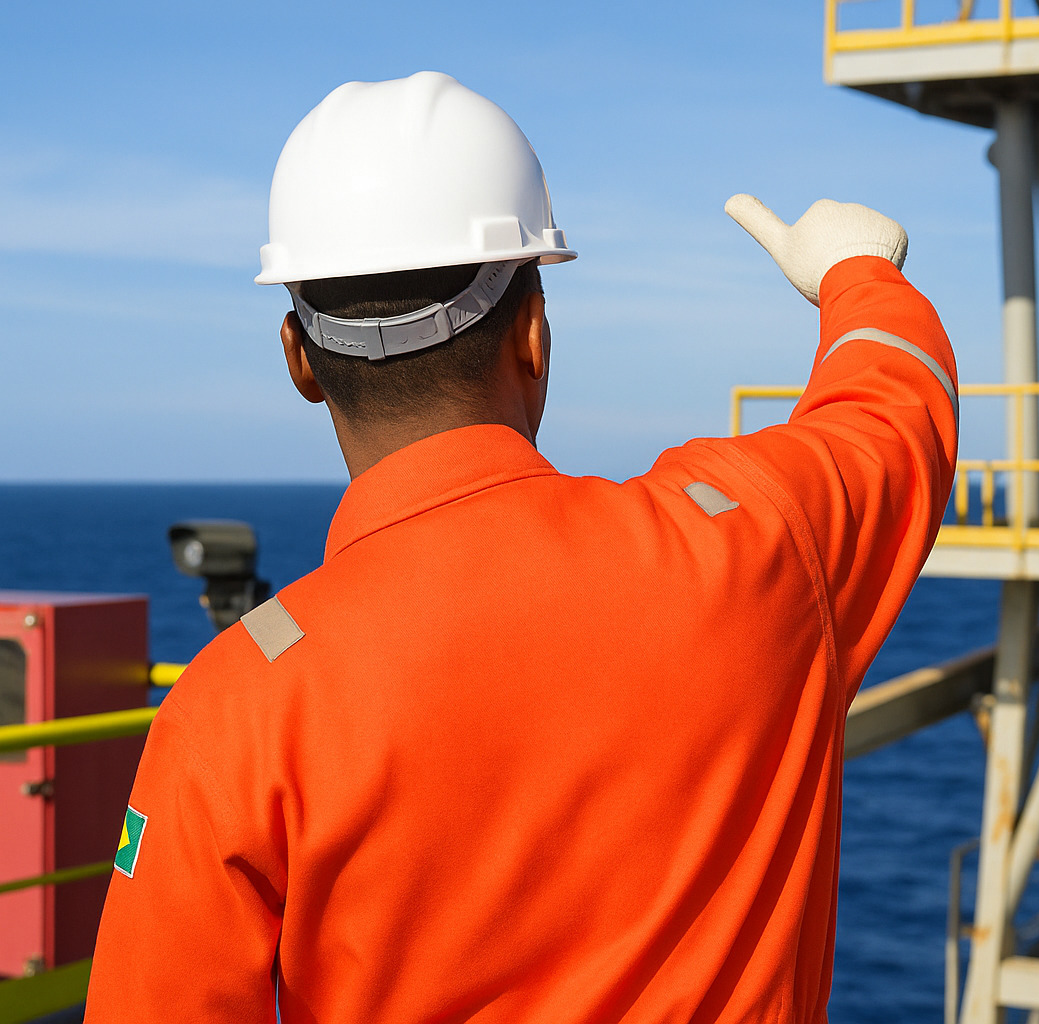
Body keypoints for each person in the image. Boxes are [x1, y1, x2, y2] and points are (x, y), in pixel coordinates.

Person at [86, 71, 957, 1023]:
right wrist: (857, 275)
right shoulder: (752, 548)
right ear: (534, 333)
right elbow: (894, 409)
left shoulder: (230, 715)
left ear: (300, 359)